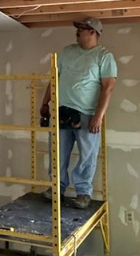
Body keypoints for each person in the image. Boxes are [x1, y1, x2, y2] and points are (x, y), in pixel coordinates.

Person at [39, 16, 117, 209]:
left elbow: (108, 88)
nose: (77, 32)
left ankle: (83, 193)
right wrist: (45, 103)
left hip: (86, 115)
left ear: (93, 32)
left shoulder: (103, 56)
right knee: (57, 153)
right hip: (61, 112)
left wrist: (98, 116)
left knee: (87, 155)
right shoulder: (66, 52)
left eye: (81, 29)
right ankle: (57, 188)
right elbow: (54, 79)